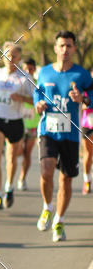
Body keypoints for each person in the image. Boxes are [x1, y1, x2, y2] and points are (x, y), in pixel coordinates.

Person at [34, 31, 92, 242]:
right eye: (62, 45)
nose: (65, 49)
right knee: (46, 169)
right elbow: (37, 93)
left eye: (69, 46)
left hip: (71, 133)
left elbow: (91, 97)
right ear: (55, 48)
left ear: (74, 49)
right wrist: (37, 103)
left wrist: (83, 98)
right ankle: (47, 206)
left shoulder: (82, 75)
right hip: (47, 129)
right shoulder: (45, 72)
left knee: (66, 179)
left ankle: (58, 220)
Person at [0, 42, 33, 209]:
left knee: (11, 157)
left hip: (15, 120)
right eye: (8, 55)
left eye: (14, 56)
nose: (11, 59)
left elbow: (34, 100)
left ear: (19, 58)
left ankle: (9, 187)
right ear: (3, 57)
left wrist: (22, 98)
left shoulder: (24, 78)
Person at [17, 57, 39, 191]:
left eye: (30, 69)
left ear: (34, 69)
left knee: (27, 153)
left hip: (32, 123)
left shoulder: (37, 84)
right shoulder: (17, 83)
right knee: (17, 151)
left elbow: (36, 102)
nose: (28, 71)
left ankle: (22, 178)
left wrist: (24, 98)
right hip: (18, 121)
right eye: (25, 69)